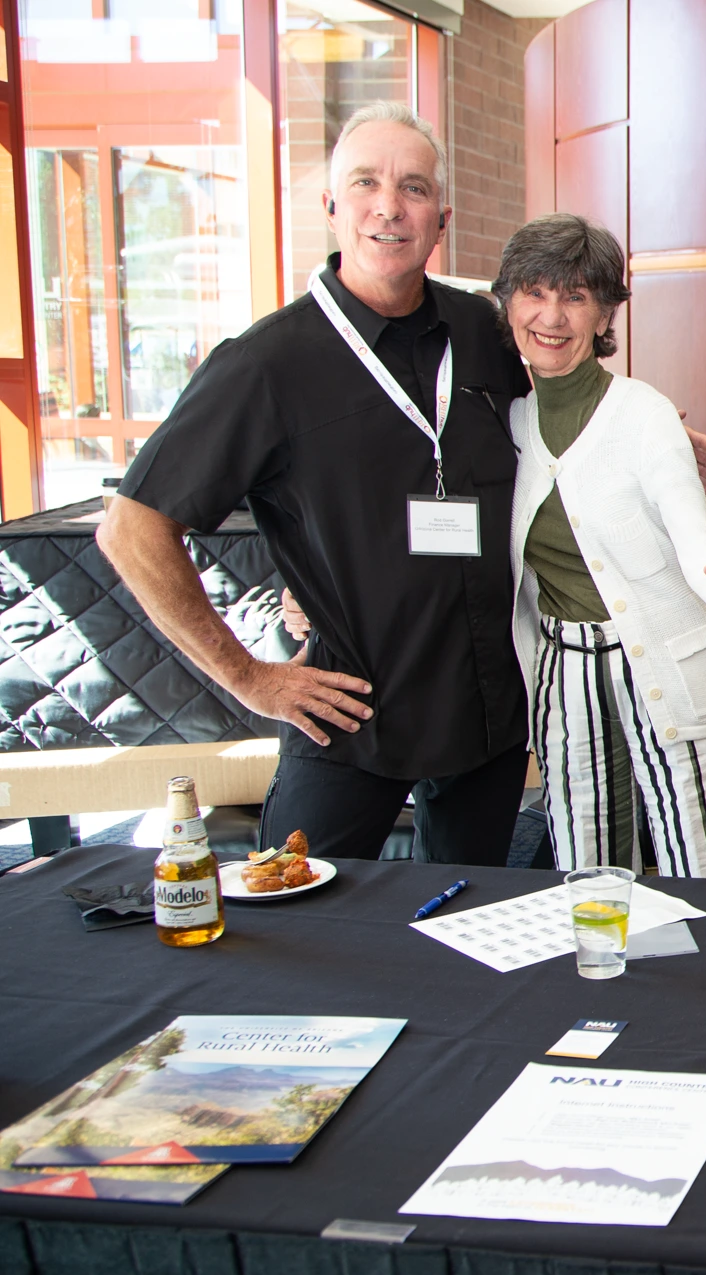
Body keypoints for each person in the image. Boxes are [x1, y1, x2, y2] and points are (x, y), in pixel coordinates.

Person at [99, 102, 537, 863]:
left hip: (486, 709)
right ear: (332, 209)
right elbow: (132, 529)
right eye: (365, 183)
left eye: (413, 187)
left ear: (442, 217)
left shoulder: (483, 332)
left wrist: (647, 432)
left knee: (467, 937)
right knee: (292, 932)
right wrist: (249, 679)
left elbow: (554, 418)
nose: (389, 207)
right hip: (345, 712)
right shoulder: (266, 365)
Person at [495, 214, 706, 878]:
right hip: (563, 674)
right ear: (509, 303)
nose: (552, 315)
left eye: (575, 296)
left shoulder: (645, 413)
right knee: (591, 881)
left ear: (605, 317)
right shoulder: (507, 420)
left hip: (667, 665)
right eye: (535, 292)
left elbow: (691, 541)